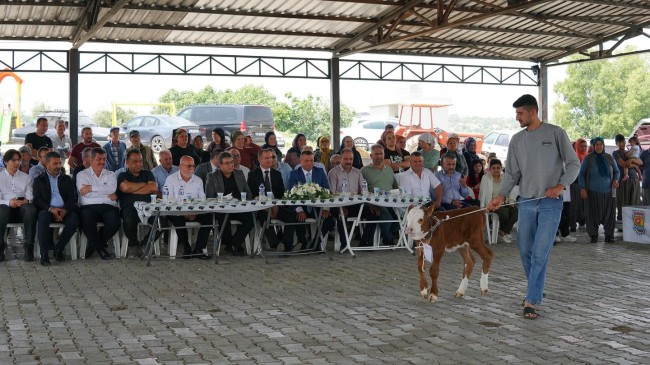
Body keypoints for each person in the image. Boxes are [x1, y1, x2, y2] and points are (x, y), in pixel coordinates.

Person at [487, 94, 579, 320]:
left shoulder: (556, 133)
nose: (517, 118)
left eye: (520, 113)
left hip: (550, 204)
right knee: (525, 249)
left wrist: (561, 185)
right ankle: (535, 289)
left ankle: (530, 300)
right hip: (526, 203)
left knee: (540, 253)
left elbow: (574, 163)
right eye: (516, 114)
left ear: (532, 112)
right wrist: (500, 196)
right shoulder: (517, 140)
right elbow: (512, 174)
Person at [32, 151, 79, 265]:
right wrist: (50, 209)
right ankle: (44, 255)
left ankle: (59, 248)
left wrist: (65, 210)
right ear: (47, 164)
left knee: (74, 219)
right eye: (55, 163)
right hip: (47, 210)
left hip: (64, 210)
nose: (58, 166)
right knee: (42, 218)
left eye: (59, 163)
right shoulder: (39, 180)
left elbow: (72, 198)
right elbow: (37, 199)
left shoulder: (66, 179)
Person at [163, 156, 212, 259]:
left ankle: (199, 248)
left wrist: (194, 212)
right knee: (177, 219)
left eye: (193, 166)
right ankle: (187, 248)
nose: (192, 168)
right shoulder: (171, 179)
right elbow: (168, 199)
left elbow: (202, 199)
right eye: (188, 166)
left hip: (195, 212)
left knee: (209, 218)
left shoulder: (198, 180)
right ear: (180, 166)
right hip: (176, 211)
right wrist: (183, 212)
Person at [76, 148, 121, 260]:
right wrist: (106, 194)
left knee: (115, 222)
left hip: (108, 207)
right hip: (88, 207)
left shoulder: (110, 174)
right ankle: (101, 249)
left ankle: (94, 246)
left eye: (104, 159)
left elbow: (112, 188)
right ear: (91, 160)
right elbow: (85, 194)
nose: (102, 162)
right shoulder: (82, 174)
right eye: (99, 159)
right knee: (86, 220)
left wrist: (91, 188)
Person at [205, 151, 253, 256]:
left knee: (251, 219)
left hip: (238, 207)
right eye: (227, 163)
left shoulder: (239, 174)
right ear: (220, 165)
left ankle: (233, 244)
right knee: (223, 218)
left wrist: (240, 199)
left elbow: (248, 193)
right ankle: (232, 244)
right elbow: (209, 197)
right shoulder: (212, 176)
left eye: (232, 162)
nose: (231, 165)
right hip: (221, 208)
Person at [248, 148, 297, 251]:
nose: (270, 160)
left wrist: (276, 206)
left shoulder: (277, 174)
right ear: (260, 159)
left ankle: (287, 245)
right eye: (267, 158)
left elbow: (281, 194)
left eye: (271, 157)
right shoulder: (252, 175)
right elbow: (252, 195)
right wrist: (266, 207)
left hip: (276, 207)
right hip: (261, 208)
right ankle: (275, 244)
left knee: (291, 216)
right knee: (264, 218)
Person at [117, 150, 162, 257]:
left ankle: (144, 244)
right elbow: (125, 187)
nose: (139, 164)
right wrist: (143, 184)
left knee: (162, 222)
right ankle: (133, 244)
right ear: (127, 162)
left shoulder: (147, 173)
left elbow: (153, 187)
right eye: (135, 161)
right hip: (130, 207)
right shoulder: (122, 175)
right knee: (128, 219)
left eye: (140, 161)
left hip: (149, 207)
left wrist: (132, 189)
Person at [328, 148, 372, 250]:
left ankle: (364, 242)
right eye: (346, 159)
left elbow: (363, 190)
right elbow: (332, 194)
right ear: (341, 159)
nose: (349, 161)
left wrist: (370, 204)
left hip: (355, 204)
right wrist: (341, 207)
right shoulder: (333, 172)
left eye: (351, 159)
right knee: (341, 215)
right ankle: (345, 245)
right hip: (338, 204)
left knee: (373, 213)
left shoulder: (357, 172)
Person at [578, 137, 620, 243]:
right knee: (592, 215)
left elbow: (617, 171)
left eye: (601, 144)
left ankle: (609, 236)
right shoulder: (588, 158)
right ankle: (593, 235)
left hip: (608, 193)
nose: (599, 146)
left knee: (609, 215)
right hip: (592, 193)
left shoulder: (609, 158)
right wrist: (582, 188)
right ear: (593, 146)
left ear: (603, 145)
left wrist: (616, 180)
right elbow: (581, 174)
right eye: (596, 144)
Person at [288, 150, 332, 250]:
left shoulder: (320, 172)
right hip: (301, 205)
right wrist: (299, 210)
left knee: (328, 219)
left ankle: (315, 244)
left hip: (318, 206)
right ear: (300, 161)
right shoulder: (294, 174)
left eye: (311, 161)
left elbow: (326, 190)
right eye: (306, 161)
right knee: (297, 218)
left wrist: (326, 208)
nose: (309, 163)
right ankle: (303, 244)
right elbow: (292, 193)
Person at [0, 149, 37, 262]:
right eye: (14, 160)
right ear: (6, 162)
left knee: (30, 209)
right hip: (5, 207)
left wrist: (26, 201)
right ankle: (0, 247)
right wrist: (9, 202)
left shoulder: (26, 177)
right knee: (2, 210)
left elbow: (30, 196)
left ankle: (29, 247)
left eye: (18, 160)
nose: (17, 163)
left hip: (22, 207)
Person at [361, 144, 399, 246]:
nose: (379, 156)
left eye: (381, 154)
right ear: (371, 156)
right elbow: (361, 189)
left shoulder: (389, 169)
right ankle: (387, 239)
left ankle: (390, 233)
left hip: (390, 201)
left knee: (401, 217)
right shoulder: (364, 171)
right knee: (388, 216)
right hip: (374, 201)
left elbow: (396, 187)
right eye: (376, 154)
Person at [479, 159, 518, 243]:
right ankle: (504, 232)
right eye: (493, 168)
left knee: (516, 211)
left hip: (504, 203)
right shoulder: (485, 178)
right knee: (504, 213)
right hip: (492, 204)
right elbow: (482, 193)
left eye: (498, 168)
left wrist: (512, 202)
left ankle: (503, 232)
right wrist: (483, 207)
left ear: (501, 168)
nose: (496, 170)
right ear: (490, 169)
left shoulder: (505, 178)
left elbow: (511, 191)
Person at [613, 134, 642, 221]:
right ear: (616, 143)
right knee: (622, 202)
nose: (622, 143)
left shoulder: (631, 151)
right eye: (619, 142)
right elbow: (622, 164)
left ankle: (634, 223)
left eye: (623, 141)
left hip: (634, 179)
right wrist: (635, 166)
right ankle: (622, 222)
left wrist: (632, 161)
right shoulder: (616, 153)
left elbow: (640, 162)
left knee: (634, 201)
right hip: (623, 180)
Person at [569, 138, 588, 231]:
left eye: (585, 146)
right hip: (575, 184)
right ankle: (572, 225)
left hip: (585, 185)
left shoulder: (587, 157)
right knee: (574, 205)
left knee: (584, 205)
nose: (584, 148)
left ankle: (582, 222)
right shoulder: (573, 158)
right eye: (581, 146)